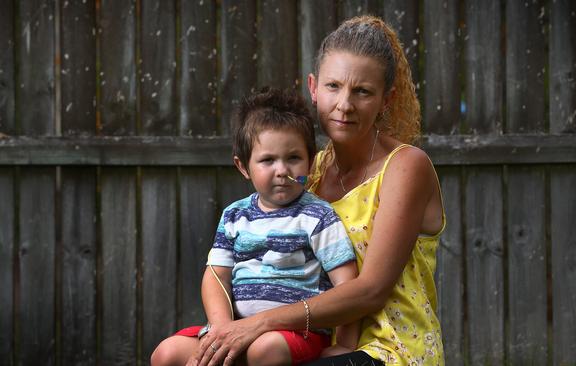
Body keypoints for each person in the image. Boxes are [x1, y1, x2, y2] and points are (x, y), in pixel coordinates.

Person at [192, 15, 445, 366]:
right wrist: (229, 328)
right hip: (311, 341)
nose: (345, 104)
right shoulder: (306, 170)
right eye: (333, 86)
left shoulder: (405, 167)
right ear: (313, 87)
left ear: (386, 100)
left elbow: (371, 290)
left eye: (363, 91)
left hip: (389, 350)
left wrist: (258, 323)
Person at [150, 88, 360, 366]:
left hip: (294, 335)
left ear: (311, 160)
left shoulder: (318, 216)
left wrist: (345, 344)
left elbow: (347, 286)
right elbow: (216, 277)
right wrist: (222, 329)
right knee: (166, 353)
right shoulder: (235, 216)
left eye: (293, 158)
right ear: (244, 166)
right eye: (268, 160)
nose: (282, 170)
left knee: (265, 349)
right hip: (235, 328)